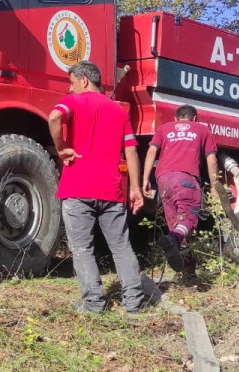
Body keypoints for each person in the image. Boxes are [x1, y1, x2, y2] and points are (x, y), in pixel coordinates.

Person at [49, 61, 161, 314]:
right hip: (111, 191)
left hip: (77, 189)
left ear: (84, 80)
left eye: (72, 82)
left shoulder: (74, 102)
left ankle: (94, 303)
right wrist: (134, 188)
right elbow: (131, 151)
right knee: (121, 247)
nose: (71, 88)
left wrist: (60, 146)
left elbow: (54, 116)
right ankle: (134, 302)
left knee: (82, 248)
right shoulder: (119, 111)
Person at [141, 104, 219, 282]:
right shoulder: (202, 129)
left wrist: (145, 179)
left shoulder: (164, 128)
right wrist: (214, 186)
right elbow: (212, 159)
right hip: (185, 179)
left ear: (175, 119)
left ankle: (188, 272)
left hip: (163, 179)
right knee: (189, 218)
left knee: (178, 228)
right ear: (195, 119)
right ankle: (179, 251)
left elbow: (152, 150)